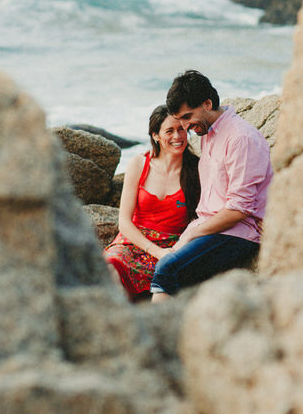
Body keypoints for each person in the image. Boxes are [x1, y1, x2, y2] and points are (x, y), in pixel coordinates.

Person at [150, 70, 272, 301]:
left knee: (168, 270)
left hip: (240, 232)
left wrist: (192, 234)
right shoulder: (207, 133)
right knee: (163, 270)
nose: (185, 127)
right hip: (211, 226)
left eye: (187, 117)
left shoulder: (241, 138)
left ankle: (157, 337)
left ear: (207, 103)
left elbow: (239, 209)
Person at [103, 105, 200, 301]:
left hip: (173, 245)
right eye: (169, 131)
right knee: (109, 268)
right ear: (156, 135)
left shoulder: (196, 169)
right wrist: (155, 251)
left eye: (181, 129)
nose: (177, 136)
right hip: (134, 242)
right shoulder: (139, 164)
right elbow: (124, 222)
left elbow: (200, 219)